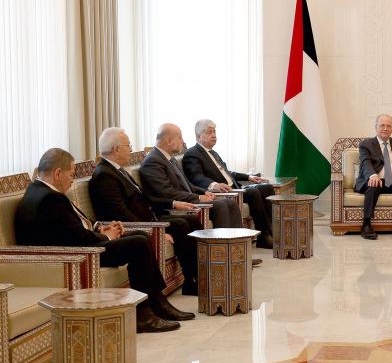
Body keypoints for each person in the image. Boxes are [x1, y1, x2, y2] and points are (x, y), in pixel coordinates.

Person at [15, 148, 193, 333]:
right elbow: (76, 237)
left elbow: (73, 226)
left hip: (78, 247)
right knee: (137, 244)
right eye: (71, 174)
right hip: (76, 256)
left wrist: (100, 228)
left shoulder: (40, 190)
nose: (72, 180)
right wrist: (108, 237)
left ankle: (156, 303)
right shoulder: (50, 199)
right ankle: (145, 314)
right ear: (58, 173)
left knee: (140, 235)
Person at [89, 127, 202, 296]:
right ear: (116, 149)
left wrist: (171, 204)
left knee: (189, 220)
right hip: (134, 225)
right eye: (128, 145)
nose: (131, 149)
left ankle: (197, 276)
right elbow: (120, 213)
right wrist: (153, 230)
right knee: (180, 224)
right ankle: (191, 281)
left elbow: (145, 199)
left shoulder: (117, 170)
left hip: (149, 218)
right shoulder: (104, 175)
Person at [182, 119, 274, 249]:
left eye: (214, 132)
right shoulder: (192, 154)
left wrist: (248, 177)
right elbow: (196, 177)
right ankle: (263, 236)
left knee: (266, 188)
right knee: (253, 192)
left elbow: (227, 173)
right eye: (209, 132)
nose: (214, 135)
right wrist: (214, 184)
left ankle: (271, 231)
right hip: (225, 192)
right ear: (199, 136)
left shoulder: (213, 153)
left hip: (235, 188)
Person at [355, 114, 392, 240]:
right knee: (374, 183)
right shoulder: (366, 144)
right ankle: (366, 224)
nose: (385, 128)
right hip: (375, 181)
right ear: (376, 127)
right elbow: (365, 162)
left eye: (388, 126)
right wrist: (372, 175)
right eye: (382, 125)